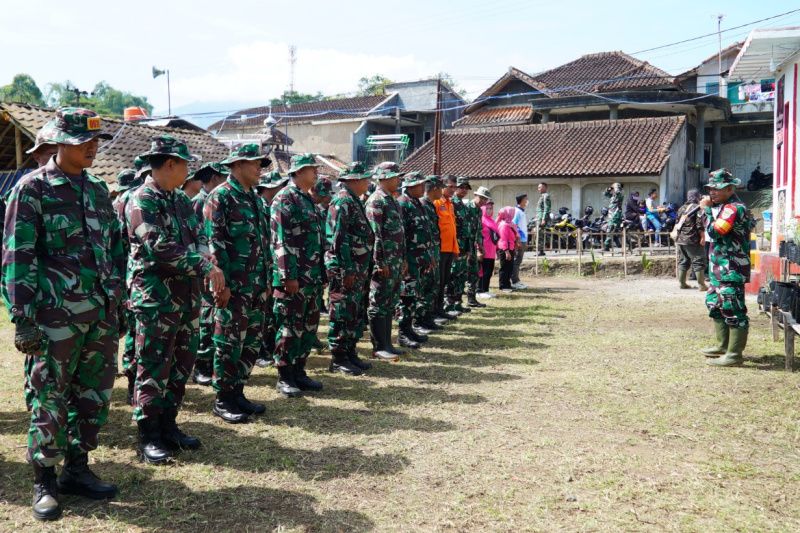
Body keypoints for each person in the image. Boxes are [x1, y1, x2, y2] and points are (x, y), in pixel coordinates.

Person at [2, 107, 123, 520]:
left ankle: (77, 469)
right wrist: (22, 318)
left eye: (94, 142)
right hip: (54, 319)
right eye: (81, 141)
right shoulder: (32, 190)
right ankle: (44, 480)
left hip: (99, 316)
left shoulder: (98, 189)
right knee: (48, 398)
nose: (91, 147)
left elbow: (113, 251)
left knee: (92, 397)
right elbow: (16, 258)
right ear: (57, 142)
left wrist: (116, 304)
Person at [127, 136, 226, 462]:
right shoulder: (143, 200)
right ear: (169, 164)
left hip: (186, 299)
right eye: (185, 164)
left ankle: (169, 426)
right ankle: (149, 435)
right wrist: (203, 266)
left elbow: (200, 238)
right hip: (156, 300)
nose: (189, 171)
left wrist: (210, 264)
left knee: (181, 366)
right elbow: (157, 247)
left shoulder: (181, 201)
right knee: (154, 367)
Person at [206, 144, 272, 419]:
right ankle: (223, 399)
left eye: (260, 163)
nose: (259, 168)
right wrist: (221, 286)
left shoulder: (255, 200)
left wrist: (268, 280)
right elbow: (213, 245)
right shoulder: (220, 197)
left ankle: (238, 392)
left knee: (251, 343)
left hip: (256, 285)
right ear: (236, 165)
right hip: (233, 288)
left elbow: (265, 243)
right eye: (253, 162)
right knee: (229, 343)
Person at [271, 154, 325, 397]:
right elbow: (281, 240)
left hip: (310, 276)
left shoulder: (307, 199)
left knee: (308, 327)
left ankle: (299, 371)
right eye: (312, 169)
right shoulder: (285, 198)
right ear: (299, 171)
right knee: (289, 328)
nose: (316, 174)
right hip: (293, 278)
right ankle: (285, 375)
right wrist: (287, 277)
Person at [700, 169, 754, 367]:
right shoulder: (724, 207)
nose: (712, 192)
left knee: (733, 307)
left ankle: (734, 355)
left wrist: (705, 210)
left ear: (730, 189)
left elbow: (717, 231)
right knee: (714, 303)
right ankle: (722, 345)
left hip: (732, 268)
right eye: (710, 189)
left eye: (717, 188)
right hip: (718, 268)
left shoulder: (734, 208)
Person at [325, 162, 375, 374]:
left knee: (353, 314)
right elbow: (337, 241)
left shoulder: (354, 201)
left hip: (356, 270)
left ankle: (350, 352)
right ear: (353, 180)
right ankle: (338, 358)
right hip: (346, 271)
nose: (368, 182)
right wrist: (344, 271)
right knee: (342, 314)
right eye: (364, 178)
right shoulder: (343, 202)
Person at [190, 162, 230, 385]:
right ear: (214, 177)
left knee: (213, 315)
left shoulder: (210, 198)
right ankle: (202, 365)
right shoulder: (199, 202)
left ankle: (209, 359)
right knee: (206, 317)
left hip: (210, 264)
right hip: (203, 268)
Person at [366, 162, 407, 359]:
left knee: (389, 303)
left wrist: (403, 259)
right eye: (395, 177)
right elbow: (375, 235)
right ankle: (379, 346)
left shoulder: (392, 200)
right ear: (383, 178)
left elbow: (400, 234)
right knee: (379, 303)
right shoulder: (376, 201)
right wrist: (379, 262)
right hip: (383, 263)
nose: (398, 180)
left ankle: (387, 343)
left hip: (395, 261)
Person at [112, 167, 144, 405]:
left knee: (131, 329)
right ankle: (134, 385)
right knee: (135, 331)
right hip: (131, 272)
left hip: (123, 272)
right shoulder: (133, 199)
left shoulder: (117, 201)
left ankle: (131, 379)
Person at [253, 171, 289, 369]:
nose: (282, 188)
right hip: (259, 268)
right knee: (262, 313)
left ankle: (265, 347)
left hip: (269, 266)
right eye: (278, 185)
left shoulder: (267, 206)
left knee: (268, 313)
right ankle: (260, 350)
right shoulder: (262, 205)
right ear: (267, 187)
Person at [396, 171, 433, 348]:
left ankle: (409, 329)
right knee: (405, 297)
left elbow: (425, 233)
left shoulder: (418, 203)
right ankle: (402, 333)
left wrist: (428, 256)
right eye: (420, 184)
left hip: (419, 260)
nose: (423, 187)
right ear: (410, 186)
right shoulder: (403, 204)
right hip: (408, 261)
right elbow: (400, 236)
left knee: (413, 296)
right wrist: (403, 260)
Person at [418, 176, 448, 329]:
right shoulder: (423, 204)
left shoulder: (429, 204)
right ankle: (420, 321)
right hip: (425, 253)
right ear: (435, 188)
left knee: (433, 286)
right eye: (441, 188)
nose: (442, 191)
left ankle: (427, 318)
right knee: (425, 287)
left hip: (433, 251)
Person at [434, 176, 460, 321]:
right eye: (450, 187)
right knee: (437, 282)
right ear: (443, 186)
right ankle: (434, 311)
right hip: (440, 249)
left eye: (454, 187)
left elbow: (452, 228)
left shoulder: (450, 204)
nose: (453, 190)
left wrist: (455, 248)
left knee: (444, 281)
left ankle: (439, 309)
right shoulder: (437, 202)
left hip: (449, 249)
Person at [447, 176, 474, 314]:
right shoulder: (451, 203)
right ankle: (449, 304)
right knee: (453, 275)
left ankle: (457, 303)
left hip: (463, 246)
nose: (464, 190)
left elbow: (467, 228)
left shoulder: (463, 205)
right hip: (455, 246)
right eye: (461, 187)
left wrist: (469, 248)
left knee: (461, 275)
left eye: (466, 188)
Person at [676, 189, 708, 291]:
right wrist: (703, 237)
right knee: (698, 260)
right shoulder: (698, 208)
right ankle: (702, 285)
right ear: (697, 196)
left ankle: (682, 283)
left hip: (680, 239)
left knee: (683, 261)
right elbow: (700, 225)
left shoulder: (681, 208)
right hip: (692, 239)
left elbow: (677, 222)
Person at [466, 185, 490, 308]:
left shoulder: (479, 211)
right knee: (459, 274)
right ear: (475, 196)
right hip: (464, 246)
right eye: (481, 198)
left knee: (474, 273)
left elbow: (479, 229)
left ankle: (471, 299)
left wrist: (480, 246)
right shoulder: (467, 207)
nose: (483, 201)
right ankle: (453, 302)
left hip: (473, 245)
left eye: (485, 199)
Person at [478, 200, 499, 296]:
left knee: (489, 271)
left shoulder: (492, 221)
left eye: (491, 209)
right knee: (482, 271)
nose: (490, 211)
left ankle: (486, 289)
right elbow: (477, 236)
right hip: (483, 250)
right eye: (487, 209)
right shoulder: (481, 220)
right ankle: (480, 290)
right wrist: (479, 249)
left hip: (491, 251)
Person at [496, 206, 518, 292]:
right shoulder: (504, 225)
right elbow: (503, 239)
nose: (513, 214)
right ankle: (503, 285)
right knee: (504, 268)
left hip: (510, 248)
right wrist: (506, 252)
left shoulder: (510, 223)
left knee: (509, 267)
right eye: (512, 212)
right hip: (505, 249)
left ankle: (507, 284)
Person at [511, 193, 528, 289]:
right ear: (521, 201)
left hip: (523, 239)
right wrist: (518, 239)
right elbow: (514, 225)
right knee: (517, 261)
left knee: (518, 260)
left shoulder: (522, 211)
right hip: (520, 239)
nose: (527, 201)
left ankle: (516, 279)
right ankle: (514, 281)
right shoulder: (517, 212)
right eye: (526, 199)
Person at [603, 183, 624, 251]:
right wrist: (609, 189)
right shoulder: (613, 196)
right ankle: (621, 244)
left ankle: (606, 246)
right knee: (614, 231)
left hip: (615, 215)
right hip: (611, 215)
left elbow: (618, 192)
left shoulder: (620, 195)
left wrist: (615, 186)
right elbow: (605, 194)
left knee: (610, 229)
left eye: (614, 188)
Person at [533, 183, 550, 256]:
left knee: (539, 233)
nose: (538, 189)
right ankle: (540, 250)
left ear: (544, 187)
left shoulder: (546, 196)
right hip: (539, 218)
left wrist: (543, 219)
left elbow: (547, 208)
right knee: (538, 233)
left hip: (542, 218)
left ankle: (541, 251)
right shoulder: (542, 196)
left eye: (540, 187)